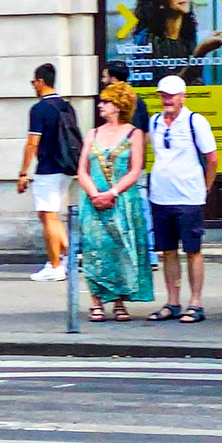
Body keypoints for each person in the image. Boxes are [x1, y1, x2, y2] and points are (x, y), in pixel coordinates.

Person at [73, 82, 153, 320]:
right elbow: (82, 169)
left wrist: (113, 192)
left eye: (105, 101)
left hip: (122, 201)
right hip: (93, 201)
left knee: (120, 250)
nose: (101, 105)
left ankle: (119, 301)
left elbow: (135, 169)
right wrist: (94, 193)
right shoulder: (92, 133)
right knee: (95, 249)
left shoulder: (134, 133)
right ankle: (96, 301)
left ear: (118, 106)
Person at [146, 73, 217, 323]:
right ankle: (172, 301)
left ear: (182, 97)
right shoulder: (154, 122)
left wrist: (204, 188)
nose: (167, 100)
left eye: (171, 95)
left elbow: (212, 159)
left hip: (188, 197)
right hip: (160, 195)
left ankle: (195, 302)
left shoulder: (195, 121)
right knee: (167, 251)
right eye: (163, 95)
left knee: (193, 250)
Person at [14, 64, 81, 281]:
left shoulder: (39, 109)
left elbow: (32, 143)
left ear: (41, 82)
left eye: (34, 82)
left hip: (48, 168)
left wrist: (23, 172)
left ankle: (55, 266)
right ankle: (68, 257)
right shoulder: (66, 106)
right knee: (49, 214)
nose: (33, 86)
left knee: (49, 216)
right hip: (66, 167)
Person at [101, 58, 149, 132]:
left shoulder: (132, 101)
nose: (102, 80)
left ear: (113, 80)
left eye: (104, 77)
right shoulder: (137, 100)